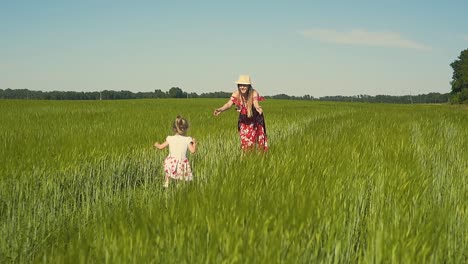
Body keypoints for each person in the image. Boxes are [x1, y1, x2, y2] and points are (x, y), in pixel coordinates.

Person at [213, 75, 268, 151]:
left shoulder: (254, 93)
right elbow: (229, 104)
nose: (242, 87)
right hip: (244, 121)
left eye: (244, 85)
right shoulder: (236, 94)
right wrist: (221, 109)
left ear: (249, 86)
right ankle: (247, 159)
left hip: (255, 120)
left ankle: (259, 159)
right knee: (245, 143)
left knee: (257, 143)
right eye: (240, 85)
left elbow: (255, 102)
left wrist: (257, 107)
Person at [154, 115, 197, 188]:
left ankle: (166, 185)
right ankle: (178, 189)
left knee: (168, 175)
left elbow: (160, 147)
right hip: (182, 163)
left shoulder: (170, 138)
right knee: (180, 178)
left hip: (171, 162)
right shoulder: (187, 139)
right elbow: (193, 151)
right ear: (186, 128)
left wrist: (156, 144)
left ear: (174, 129)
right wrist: (195, 143)